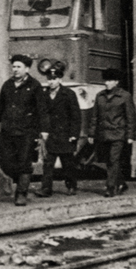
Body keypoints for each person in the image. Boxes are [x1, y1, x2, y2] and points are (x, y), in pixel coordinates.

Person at [0, 54, 49, 206]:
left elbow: (42, 110)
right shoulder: (7, 85)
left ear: (27, 69)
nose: (15, 69)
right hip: (8, 130)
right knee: (5, 161)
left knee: (24, 162)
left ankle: (21, 193)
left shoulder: (35, 86)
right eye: (13, 66)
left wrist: (44, 129)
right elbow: (0, 106)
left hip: (27, 131)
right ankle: (21, 179)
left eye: (18, 67)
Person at [90, 67, 135, 197]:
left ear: (116, 82)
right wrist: (91, 133)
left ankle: (111, 187)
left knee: (113, 159)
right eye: (106, 80)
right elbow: (94, 116)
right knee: (108, 161)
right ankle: (121, 183)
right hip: (103, 134)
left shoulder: (125, 96)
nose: (107, 83)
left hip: (118, 133)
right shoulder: (100, 96)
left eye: (110, 80)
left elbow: (131, 117)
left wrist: (131, 135)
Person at [38, 62, 81, 197]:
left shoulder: (68, 94)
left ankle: (71, 186)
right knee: (48, 164)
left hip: (65, 135)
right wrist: (42, 131)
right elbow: (42, 114)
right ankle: (46, 189)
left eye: (54, 79)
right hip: (50, 135)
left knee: (68, 164)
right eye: (49, 79)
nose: (51, 82)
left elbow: (76, 116)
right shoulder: (44, 94)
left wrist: (74, 134)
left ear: (60, 79)